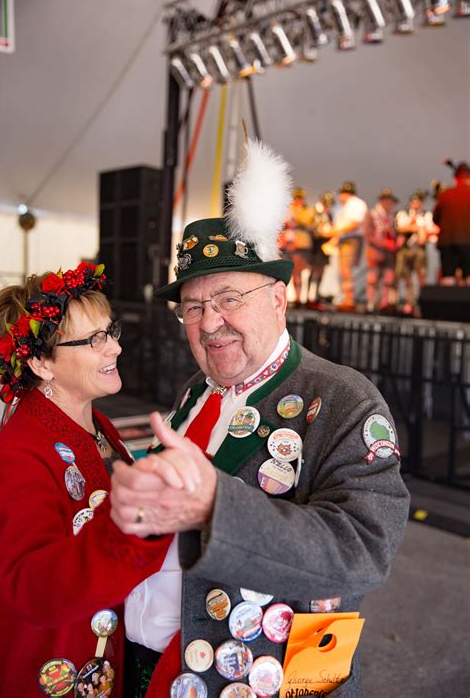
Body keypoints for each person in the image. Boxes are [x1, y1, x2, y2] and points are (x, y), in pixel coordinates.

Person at [110, 140, 410, 698]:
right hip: (151, 671)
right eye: (193, 308)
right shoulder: (196, 392)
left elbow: (362, 551)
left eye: (228, 297)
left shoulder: (343, 400)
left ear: (278, 297)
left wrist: (214, 508)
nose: (209, 322)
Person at [0, 262, 171, 697]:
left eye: (110, 332)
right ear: (40, 363)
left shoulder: (96, 427)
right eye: (94, 340)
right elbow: (30, 587)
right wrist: (135, 526)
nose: (113, 348)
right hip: (53, 671)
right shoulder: (19, 452)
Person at [395, 190, 437, 315]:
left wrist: (422, 232)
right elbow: (400, 227)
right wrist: (417, 229)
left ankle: (422, 302)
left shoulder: (426, 215)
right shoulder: (404, 214)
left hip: (419, 250)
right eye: (413, 201)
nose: (415, 203)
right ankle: (410, 301)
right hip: (406, 249)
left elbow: (431, 230)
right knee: (407, 277)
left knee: (421, 276)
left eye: (418, 201)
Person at [330, 181, 368, 312]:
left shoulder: (356, 204)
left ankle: (349, 300)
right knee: (344, 270)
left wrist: (335, 232)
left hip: (350, 239)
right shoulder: (344, 206)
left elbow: (355, 224)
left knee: (346, 270)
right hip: (345, 239)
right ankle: (347, 298)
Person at [433, 161, 470, 285]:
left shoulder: (445, 195)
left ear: (455, 178)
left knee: (448, 276)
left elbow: (435, 218)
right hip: (468, 243)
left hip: (447, 243)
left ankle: (447, 304)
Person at [364, 188, 400, 313]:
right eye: (389, 202)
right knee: (373, 279)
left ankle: (384, 303)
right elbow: (368, 234)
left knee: (388, 279)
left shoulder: (392, 217)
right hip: (376, 253)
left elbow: (395, 233)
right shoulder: (372, 214)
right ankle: (371, 303)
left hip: (389, 255)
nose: (390, 205)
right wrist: (385, 243)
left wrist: (397, 241)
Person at [281, 187, 314, 306]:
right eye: (295, 198)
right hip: (284, 245)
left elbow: (308, 222)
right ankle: (282, 300)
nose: (296, 201)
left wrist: (296, 216)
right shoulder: (286, 210)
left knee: (297, 273)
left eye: (299, 198)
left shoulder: (306, 211)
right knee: (283, 274)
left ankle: (299, 299)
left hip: (299, 247)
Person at [307, 191, 335, 307]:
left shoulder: (329, 215)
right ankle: (308, 296)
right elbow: (311, 229)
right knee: (314, 271)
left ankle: (316, 295)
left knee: (321, 271)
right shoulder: (315, 213)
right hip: (316, 246)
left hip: (324, 246)